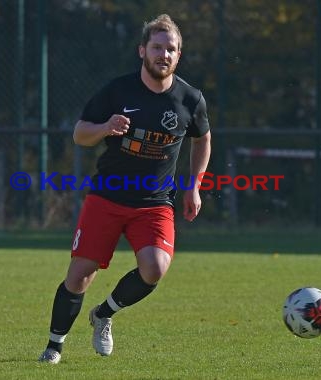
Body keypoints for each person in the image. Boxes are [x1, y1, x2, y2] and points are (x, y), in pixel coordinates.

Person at [39, 14, 211, 364]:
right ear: (142, 51)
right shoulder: (118, 91)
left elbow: (203, 139)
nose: (164, 54)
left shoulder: (190, 99)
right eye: (157, 47)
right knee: (80, 275)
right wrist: (105, 126)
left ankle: (104, 314)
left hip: (154, 204)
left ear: (179, 55)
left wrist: (194, 186)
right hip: (108, 196)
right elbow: (80, 134)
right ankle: (54, 346)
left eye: (171, 49)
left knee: (155, 268)